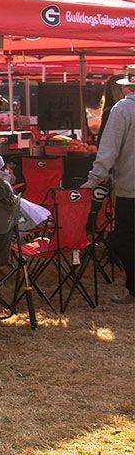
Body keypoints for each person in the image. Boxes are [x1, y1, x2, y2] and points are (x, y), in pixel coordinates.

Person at [83, 88, 135, 304]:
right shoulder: (123, 108)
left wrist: (94, 180)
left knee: (125, 240)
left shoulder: (123, 108)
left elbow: (108, 151)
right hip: (129, 186)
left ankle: (133, 289)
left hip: (131, 189)